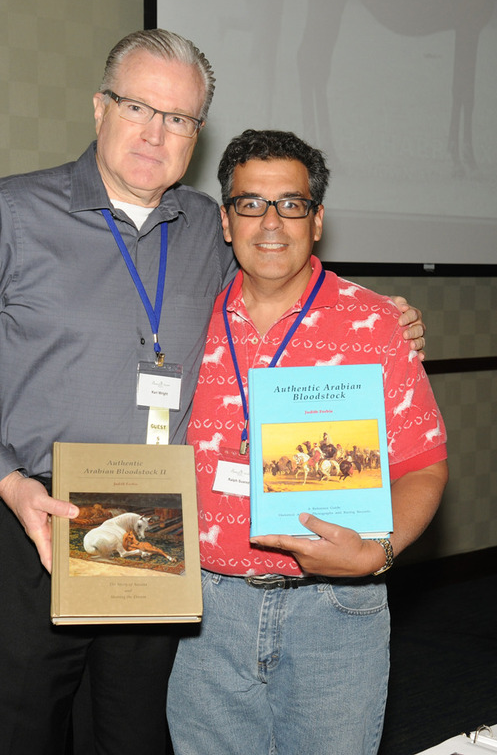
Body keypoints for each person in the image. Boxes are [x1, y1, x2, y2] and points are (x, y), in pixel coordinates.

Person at [0, 28, 426, 755]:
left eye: (178, 118)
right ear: (98, 108)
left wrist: (389, 316)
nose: (155, 132)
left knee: (133, 735)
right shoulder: (7, 213)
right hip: (30, 514)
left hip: (156, 521)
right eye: (138, 106)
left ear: (196, 133)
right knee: (11, 733)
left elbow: (285, 282)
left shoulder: (211, 228)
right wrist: (7, 481)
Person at [166, 129, 448, 755]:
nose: (271, 222)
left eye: (291, 204)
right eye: (250, 204)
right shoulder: (185, 321)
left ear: (317, 220)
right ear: (224, 220)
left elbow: (424, 466)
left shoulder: (374, 323)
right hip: (205, 614)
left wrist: (382, 553)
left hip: (337, 615)